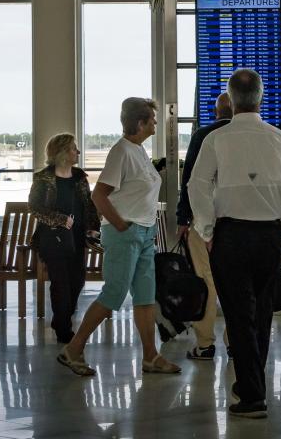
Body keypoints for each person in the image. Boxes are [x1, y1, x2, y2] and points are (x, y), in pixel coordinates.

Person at [188, 68, 281, 419]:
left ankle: (253, 396)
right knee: (260, 316)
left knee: (239, 316)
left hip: (231, 237)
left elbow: (196, 185)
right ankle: (250, 385)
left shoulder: (216, 140)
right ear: (260, 97)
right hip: (270, 238)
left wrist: (208, 230)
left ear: (230, 99)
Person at [58, 98, 181, 377]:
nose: (155, 123)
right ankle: (73, 348)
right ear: (140, 123)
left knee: (146, 298)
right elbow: (98, 195)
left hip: (145, 234)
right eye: (151, 119)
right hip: (126, 234)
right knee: (113, 294)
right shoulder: (121, 152)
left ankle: (151, 356)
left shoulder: (138, 151)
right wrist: (121, 226)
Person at [177, 91, 232, 360]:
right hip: (237, 222)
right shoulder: (252, 136)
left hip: (203, 222)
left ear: (215, 112)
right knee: (235, 284)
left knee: (205, 281)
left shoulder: (203, 136)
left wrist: (182, 218)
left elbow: (190, 182)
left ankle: (205, 344)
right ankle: (235, 343)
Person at [29, 134, 98, 344]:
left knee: (77, 281)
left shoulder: (79, 177)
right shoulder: (43, 178)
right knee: (60, 282)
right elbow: (35, 207)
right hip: (52, 238)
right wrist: (59, 219)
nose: (77, 152)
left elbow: (89, 204)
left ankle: (61, 320)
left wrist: (92, 227)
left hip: (76, 237)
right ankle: (63, 330)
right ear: (61, 153)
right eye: (73, 149)